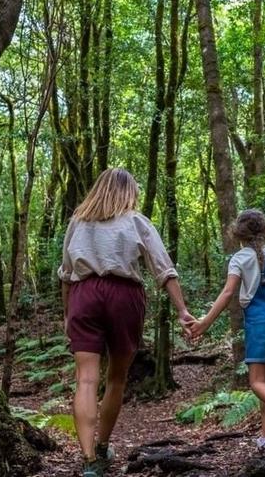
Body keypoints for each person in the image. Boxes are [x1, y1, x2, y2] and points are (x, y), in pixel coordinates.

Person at [59, 168, 197, 477]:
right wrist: (182, 310)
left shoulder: (77, 223)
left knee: (85, 379)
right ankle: (104, 444)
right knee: (117, 378)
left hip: (84, 295)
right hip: (124, 296)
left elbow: (66, 275)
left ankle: (89, 458)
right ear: (129, 192)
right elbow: (164, 270)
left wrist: (68, 313)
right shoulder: (137, 221)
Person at [191, 209, 265, 452]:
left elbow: (228, 292)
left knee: (255, 382)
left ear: (238, 233)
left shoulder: (239, 258)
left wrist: (205, 322)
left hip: (259, 322)